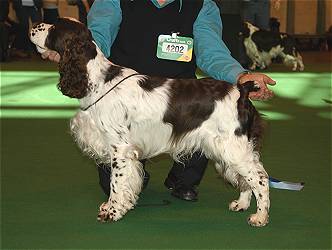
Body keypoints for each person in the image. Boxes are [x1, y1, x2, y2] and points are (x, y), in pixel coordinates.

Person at [42, 0, 275, 202]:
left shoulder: (201, 5)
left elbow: (211, 51)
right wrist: (69, 52)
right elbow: (98, 37)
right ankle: (138, 174)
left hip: (180, 102)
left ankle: (181, 177)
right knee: (113, 179)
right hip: (125, 102)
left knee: (194, 157)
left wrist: (241, 76)